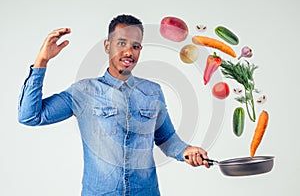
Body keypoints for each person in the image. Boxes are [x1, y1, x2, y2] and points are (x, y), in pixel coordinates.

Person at [18, 14, 210, 196]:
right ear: (107, 46)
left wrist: (186, 151)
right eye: (121, 43)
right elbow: (30, 116)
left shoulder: (153, 91)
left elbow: (166, 139)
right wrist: (42, 61)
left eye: (135, 46)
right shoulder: (83, 91)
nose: (128, 52)